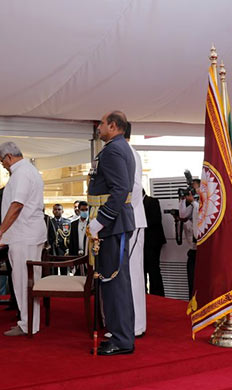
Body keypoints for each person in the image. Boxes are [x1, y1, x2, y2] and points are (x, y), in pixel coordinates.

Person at [87, 110, 136, 356]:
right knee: (113, 283)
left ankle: (122, 339)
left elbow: (120, 190)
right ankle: (120, 334)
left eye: (102, 123)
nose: (99, 127)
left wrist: (101, 221)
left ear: (113, 126)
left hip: (112, 226)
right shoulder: (117, 147)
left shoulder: (115, 150)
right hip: (114, 226)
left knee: (114, 283)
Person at [0, 142, 46, 336]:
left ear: (8, 157)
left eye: (2, 161)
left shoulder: (21, 173)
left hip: (25, 234)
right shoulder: (29, 170)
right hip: (28, 233)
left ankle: (27, 324)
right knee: (28, 280)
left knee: (23, 280)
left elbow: (17, 206)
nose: (3, 165)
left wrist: (0, 233)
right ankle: (30, 322)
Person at [126, 122, 148, 337]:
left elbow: (133, 188)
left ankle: (135, 325)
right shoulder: (123, 153)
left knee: (132, 275)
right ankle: (127, 322)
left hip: (130, 221)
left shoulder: (130, 154)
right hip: (125, 222)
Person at [142, 189, 166, 296]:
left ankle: (157, 295)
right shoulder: (134, 205)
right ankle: (143, 294)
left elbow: (155, 219)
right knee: (141, 269)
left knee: (153, 270)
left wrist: (139, 224)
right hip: (141, 243)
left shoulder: (152, 201)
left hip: (152, 242)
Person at [179, 179, 201, 299]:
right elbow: (183, 215)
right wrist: (183, 200)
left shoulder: (203, 202)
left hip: (202, 248)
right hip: (192, 248)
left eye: (194, 188)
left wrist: (193, 202)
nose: (191, 191)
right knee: (191, 278)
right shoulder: (193, 204)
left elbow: (199, 216)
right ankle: (191, 300)